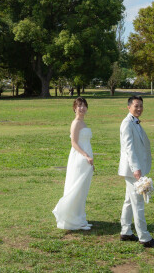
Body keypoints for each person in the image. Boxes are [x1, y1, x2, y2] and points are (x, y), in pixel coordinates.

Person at [118, 96, 154, 248]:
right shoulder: (127, 124)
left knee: (128, 201)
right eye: (136, 106)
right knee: (138, 203)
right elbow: (129, 149)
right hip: (133, 170)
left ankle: (126, 231)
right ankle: (144, 237)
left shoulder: (135, 122)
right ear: (128, 107)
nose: (139, 109)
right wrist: (136, 169)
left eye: (141, 106)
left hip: (135, 169)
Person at [52, 97, 94, 230]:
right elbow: (74, 143)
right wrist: (86, 155)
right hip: (79, 158)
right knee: (77, 187)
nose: (82, 108)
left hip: (86, 159)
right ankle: (72, 218)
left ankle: (80, 218)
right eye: (79, 106)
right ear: (74, 108)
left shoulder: (83, 122)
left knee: (83, 189)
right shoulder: (76, 123)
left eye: (84, 106)